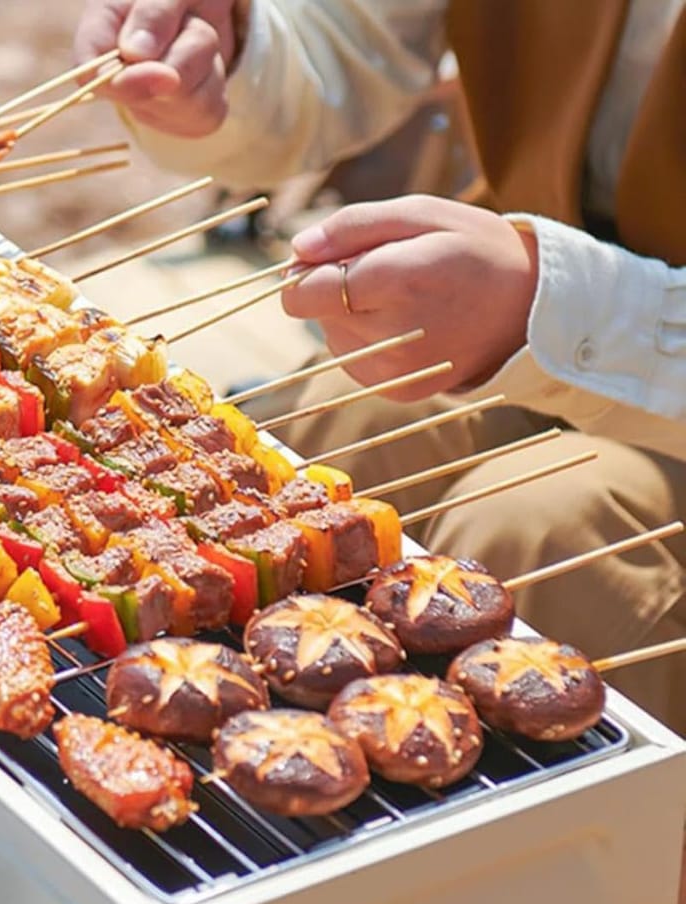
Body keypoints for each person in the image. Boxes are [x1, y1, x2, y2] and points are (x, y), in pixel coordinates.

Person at [72, 0, 686, 733]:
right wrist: (234, 65)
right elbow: (353, 33)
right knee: (338, 418)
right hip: (533, 277)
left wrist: (563, 309)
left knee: (536, 530)